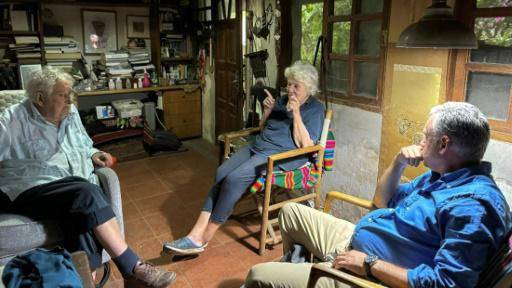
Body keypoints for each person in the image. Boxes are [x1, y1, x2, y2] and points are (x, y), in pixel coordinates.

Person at [244, 102, 511, 288]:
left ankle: (305, 277)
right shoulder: (440, 175)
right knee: (291, 213)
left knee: (258, 274)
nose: (420, 142)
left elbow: (445, 284)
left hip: (372, 276)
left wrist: (369, 264)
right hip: (357, 246)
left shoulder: (472, 207)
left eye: (426, 136)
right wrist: (398, 162)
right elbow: (381, 201)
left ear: (444, 144)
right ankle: (303, 270)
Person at [0, 67, 176, 288]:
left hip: (69, 189)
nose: (70, 100)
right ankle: (133, 268)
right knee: (86, 192)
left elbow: (84, 143)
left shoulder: (70, 112)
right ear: (40, 98)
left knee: (82, 209)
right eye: (62, 95)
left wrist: (94, 154)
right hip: (29, 188)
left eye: (70, 94)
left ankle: (87, 280)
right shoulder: (13, 119)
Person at [163, 61, 326, 256]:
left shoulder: (315, 109)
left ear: (308, 87)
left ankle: (202, 238)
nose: (290, 89)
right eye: (289, 84)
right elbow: (264, 128)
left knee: (234, 179)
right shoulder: (282, 100)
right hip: (259, 146)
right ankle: (196, 232)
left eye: (295, 86)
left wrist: (297, 113)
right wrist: (267, 111)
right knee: (221, 172)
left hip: (281, 156)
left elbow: (306, 146)